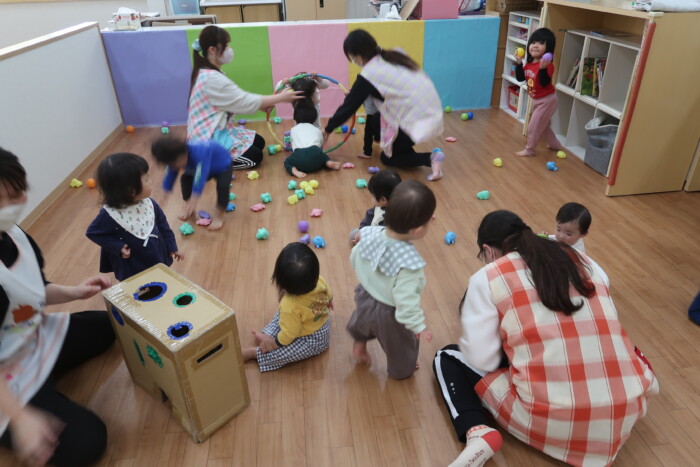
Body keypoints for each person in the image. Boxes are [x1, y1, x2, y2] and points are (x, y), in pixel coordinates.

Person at [433, 210, 658, 467]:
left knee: (447, 356)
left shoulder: (488, 276)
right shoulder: (584, 259)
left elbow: (483, 359)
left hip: (556, 421)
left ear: (488, 251)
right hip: (627, 406)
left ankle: (476, 431)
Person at [0, 147, 116, 466]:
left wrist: (76, 292)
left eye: (15, 195)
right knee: (88, 442)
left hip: (30, 339)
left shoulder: (14, 235)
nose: (8, 208)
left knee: (111, 326)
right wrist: (21, 418)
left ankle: (44, 383)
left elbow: (32, 290)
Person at [324, 29, 445, 181]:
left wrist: (327, 130)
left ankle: (431, 158)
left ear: (358, 57)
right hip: (429, 109)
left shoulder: (369, 74)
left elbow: (348, 107)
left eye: (352, 58)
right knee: (376, 120)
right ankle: (403, 149)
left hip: (416, 119)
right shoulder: (394, 55)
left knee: (387, 159)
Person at [348, 180, 435, 379]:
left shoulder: (369, 232)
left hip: (365, 294)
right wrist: (417, 325)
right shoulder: (410, 264)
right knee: (401, 347)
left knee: (362, 323)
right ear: (418, 230)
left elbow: (355, 256)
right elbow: (406, 301)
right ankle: (401, 370)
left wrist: (368, 280)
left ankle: (360, 346)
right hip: (389, 314)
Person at [188, 25, 303, 170]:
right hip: (207, 140)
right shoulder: (211, 78)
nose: (229, 49)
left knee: (259, 142)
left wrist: (260, 106)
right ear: (212, 50)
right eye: (226, 45)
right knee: (255, 157)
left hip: (220, 130)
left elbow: (231, 102)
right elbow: (242, 101)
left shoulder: (211, 73)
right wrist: (280, 98)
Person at [86, 153, 183, 281]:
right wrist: (118, 246)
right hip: (132, 266)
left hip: (156, 254)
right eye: (146, 179)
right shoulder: (109, 214)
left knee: (161, 278)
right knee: (138, 286)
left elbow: (163, 225)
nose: (151, 181)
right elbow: (94, 232)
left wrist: (171, 247)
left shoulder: (149, 204)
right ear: (131, 190)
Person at [242, 242, 332, 372]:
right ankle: (268, 336)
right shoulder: (318, 280)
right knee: (283, 317)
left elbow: (290, 334)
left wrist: (274, 344)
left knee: (285, 348)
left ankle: (255, 353)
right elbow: (328, 291)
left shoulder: (289, 306)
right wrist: (330, 300)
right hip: (320, 321)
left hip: (314, 339)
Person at [151, 136, 232, 230]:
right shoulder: (175, 158)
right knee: (185, 180)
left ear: (183, 155)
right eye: (171, 165)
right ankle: (189, 208)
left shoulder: (201, 151)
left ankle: (219, 217)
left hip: (222, 166)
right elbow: (170, 175)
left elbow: (200, 178)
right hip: (200, 168)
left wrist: (194, 200)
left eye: (175, 164)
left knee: (223, 186)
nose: (174, 167)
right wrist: (164, 196)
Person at [514, 28, 563, 157]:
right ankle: (555, 144)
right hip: (536, 99)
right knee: (544, 126)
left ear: (548, 48)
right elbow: (520, 78)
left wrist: (542, 69)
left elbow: (544, 82)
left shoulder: (548, 65)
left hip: (547, 100)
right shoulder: (529, 64)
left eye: (541, 43)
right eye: (533, 42)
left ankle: (530, 150)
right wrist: (519, 63)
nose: (535, 46)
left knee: (533, 126)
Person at [284, 103, 342, 178]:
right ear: (314, 118)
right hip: (315, 155)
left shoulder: (293, 129)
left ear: (295, 118)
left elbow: (293, 144)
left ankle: (294, 171)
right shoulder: (317, 130)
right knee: (322, 156)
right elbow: (321, 145)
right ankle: (327, 162)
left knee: (287, 162)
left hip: (299, 156)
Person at [349, 169, 401, 244]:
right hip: (372, 232)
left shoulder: (390, 219)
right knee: (354, 234)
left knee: (354, 237)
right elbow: (370, 216)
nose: (371, 198)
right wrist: (362, 229)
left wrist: (364, 238)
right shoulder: (380, 205)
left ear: (383, 200)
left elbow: (381, 238)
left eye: (372, 196)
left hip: (381, 242)